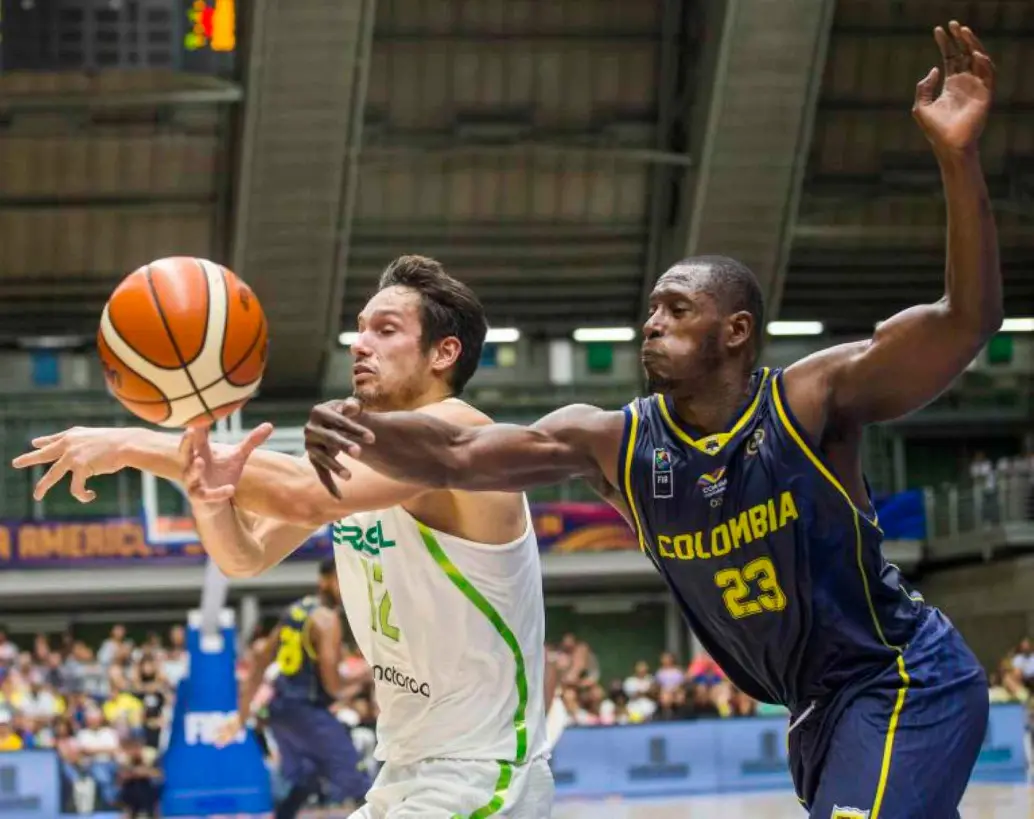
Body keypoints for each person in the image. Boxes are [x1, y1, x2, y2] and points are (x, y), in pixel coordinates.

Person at [300, 22, 998, 819]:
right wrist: (362, 424)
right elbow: (462, 450)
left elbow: (965, 321)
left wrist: (957, 156)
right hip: (814, 708)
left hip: (902, 676)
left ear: (734, 331)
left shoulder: (810, 399)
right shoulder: (617, 440)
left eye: (677, 308)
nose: (651, 322)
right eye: (651, 308)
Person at [13, 256, 553, 818]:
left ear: (444, 352)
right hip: (407, 771)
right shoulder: (362, 452)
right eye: (360, 328)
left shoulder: (460, 433)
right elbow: (244, 558)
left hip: (481, 773)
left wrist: (128, 445)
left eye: (386, 330)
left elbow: (301, 492)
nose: (360, 344)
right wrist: (207, 496)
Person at [222, 559, 368, 818]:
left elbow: (258, 665)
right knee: (358, 782)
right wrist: (367, 676)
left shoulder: (295, 610)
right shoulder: (327, 619)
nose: (349, 586)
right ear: (324, 580)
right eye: (342, 578)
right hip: (305, 710)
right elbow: (334, 687)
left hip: (280, 712)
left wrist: (241, 715)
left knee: (305, 781)